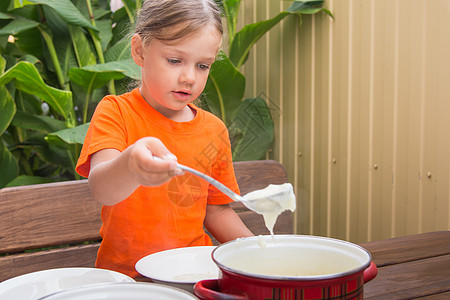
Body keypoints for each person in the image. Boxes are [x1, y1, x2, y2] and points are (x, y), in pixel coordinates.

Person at [75, 0, 254, 278]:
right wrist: (131, 166)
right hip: (127, 281)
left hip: (193, 275)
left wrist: (259, 251)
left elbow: (217, 211)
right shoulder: (117, 112)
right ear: (139, 51)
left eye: (203, 65)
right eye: (174, 60)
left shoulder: (213, 130)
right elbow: (102, 190)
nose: (189, 77)